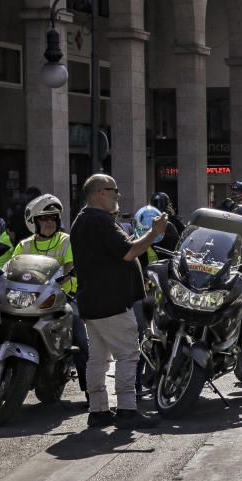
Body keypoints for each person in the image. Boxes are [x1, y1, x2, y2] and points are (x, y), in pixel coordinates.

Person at [71, 174, 166, 429]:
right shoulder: (101, 220)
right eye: (114, 191)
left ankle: (99, 410)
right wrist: (154, 233)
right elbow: (129, 252)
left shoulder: (81, 220)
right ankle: (126, 409)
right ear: (100, 192)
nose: (117, 196)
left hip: (92, 302)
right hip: (111, 302)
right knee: (127, 354)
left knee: (98, 358)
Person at [10, 194, 89, 401]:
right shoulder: (24, 245)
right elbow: (11, 268)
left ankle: (92, 395)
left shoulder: (65, 241)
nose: (49, 222)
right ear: (34, 222)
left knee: (81, 339)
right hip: (27, 301)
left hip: (62, 298)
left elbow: (70, 266)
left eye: (53, 218)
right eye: (44, 219)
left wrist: (66, 276)